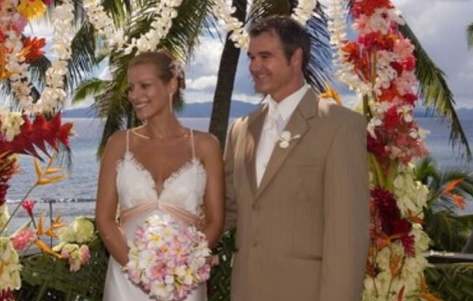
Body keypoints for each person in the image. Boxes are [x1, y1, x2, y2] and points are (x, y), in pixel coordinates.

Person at [224, 15, 370, 301]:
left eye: (265, 56)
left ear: (296, 57)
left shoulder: (340, 126)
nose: (255, 66)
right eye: (251, 57)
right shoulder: (240, 129)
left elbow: (346, 237)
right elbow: (230, 209)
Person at [96, 51, 225, 301]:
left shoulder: (206, 146)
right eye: (131, 88)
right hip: (126, 282)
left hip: (183, 283)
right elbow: (104, 219)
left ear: (171, 85)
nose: (135, 96)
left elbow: (215, 221)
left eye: (145, 86)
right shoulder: (118, 144)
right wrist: (141, 273)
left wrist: (183, 268)